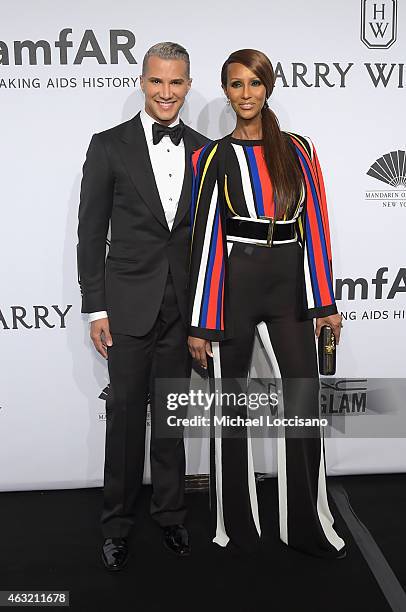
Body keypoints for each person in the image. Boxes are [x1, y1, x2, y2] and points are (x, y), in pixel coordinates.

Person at [187, 49, 346, 558]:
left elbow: (316, 228)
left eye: (254, 83)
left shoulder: (298, 150)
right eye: (236, 85)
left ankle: (305, 524)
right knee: (230, 406)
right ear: (227, 92)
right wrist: (201, 323)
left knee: (301, 399)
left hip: (289, 284)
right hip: (234, 284)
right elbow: (207, 241)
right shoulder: (211, 157)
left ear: (268, 87)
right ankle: (234, 524)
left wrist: (324, 302)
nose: (246, 93)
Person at [77, 42, 209, 570]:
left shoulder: (204, 149)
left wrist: (205, 313)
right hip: (127, 308)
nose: (166, 92)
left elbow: (208, 240)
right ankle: (117, 524)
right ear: (142, 81)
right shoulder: (108, 146)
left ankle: (171, 516)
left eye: (176, 83)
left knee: (172, 420)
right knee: (126, 420)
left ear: (187, 85)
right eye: (157, 81)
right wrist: (95, 308)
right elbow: (90, 233)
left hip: (182, 308)